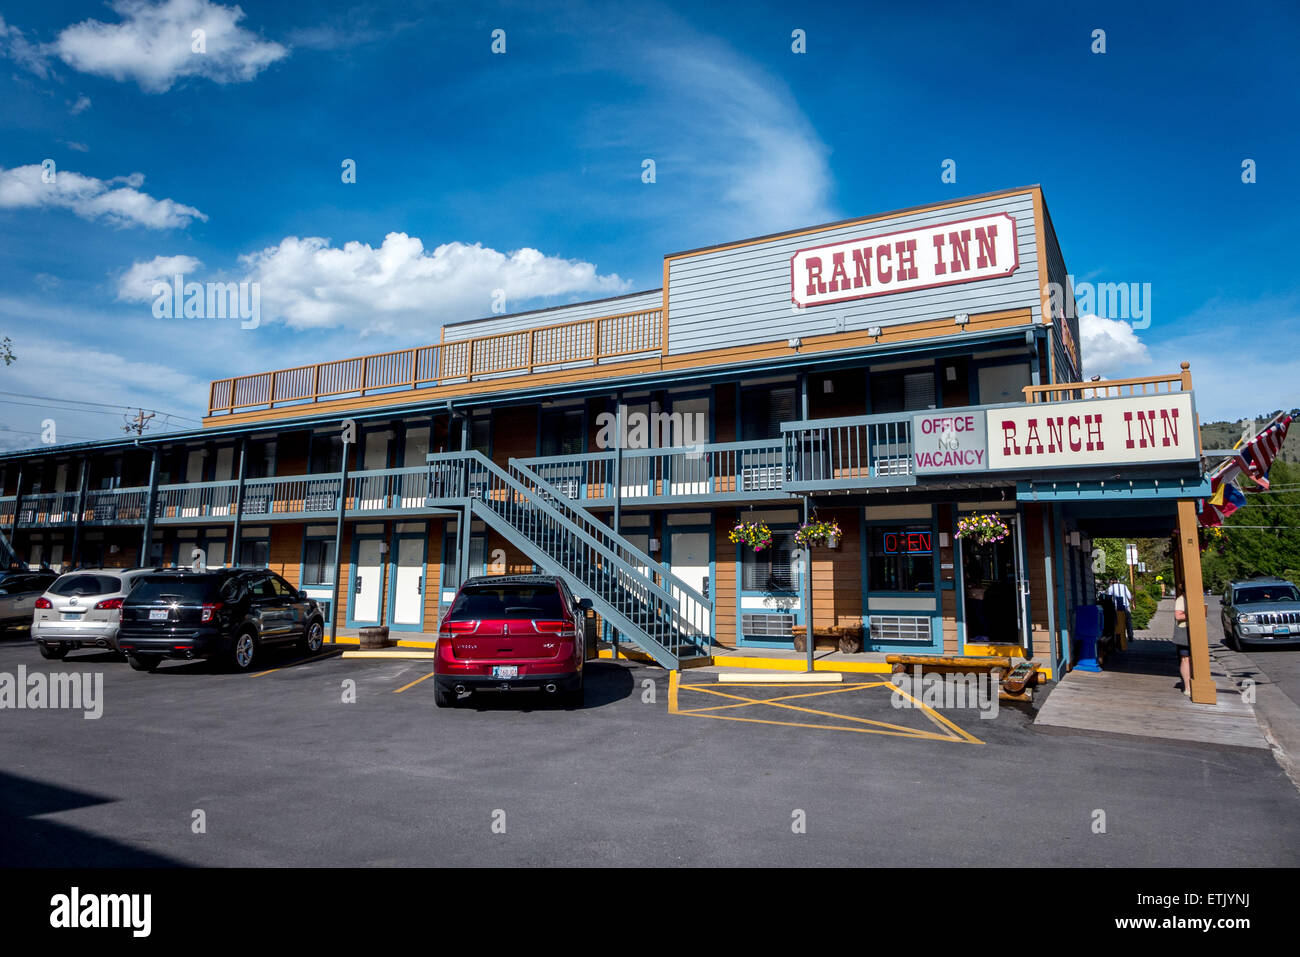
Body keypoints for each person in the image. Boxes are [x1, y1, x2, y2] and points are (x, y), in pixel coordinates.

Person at [1172, 587, 1191, 696]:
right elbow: (1178, 616)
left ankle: (1191, 683)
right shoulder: (1181, 600)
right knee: (1185, 659)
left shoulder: (1191, 599)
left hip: (1191, 630)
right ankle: (1187, 687)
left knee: (1190, 659)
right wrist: (1192, 615)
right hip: (1183, 631)